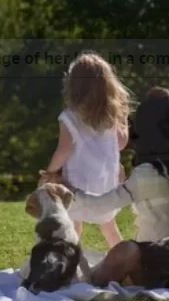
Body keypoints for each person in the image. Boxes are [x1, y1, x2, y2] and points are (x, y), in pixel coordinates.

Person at [68, 86, 169, 242]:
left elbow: (100, 205)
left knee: (119, 255)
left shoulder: (146, 173)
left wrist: (67, 190)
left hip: (157, 255)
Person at [41, 52, 130, 248]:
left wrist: (50, 172)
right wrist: (123, 119)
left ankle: (68, 262)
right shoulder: (111, 116)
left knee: (73, 227)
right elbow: (121, 144)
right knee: (109, 227)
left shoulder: (69, 117)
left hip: (77, 185)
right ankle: (128, 265)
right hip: (106, 184)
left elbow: (63, 150)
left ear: (74, 86)